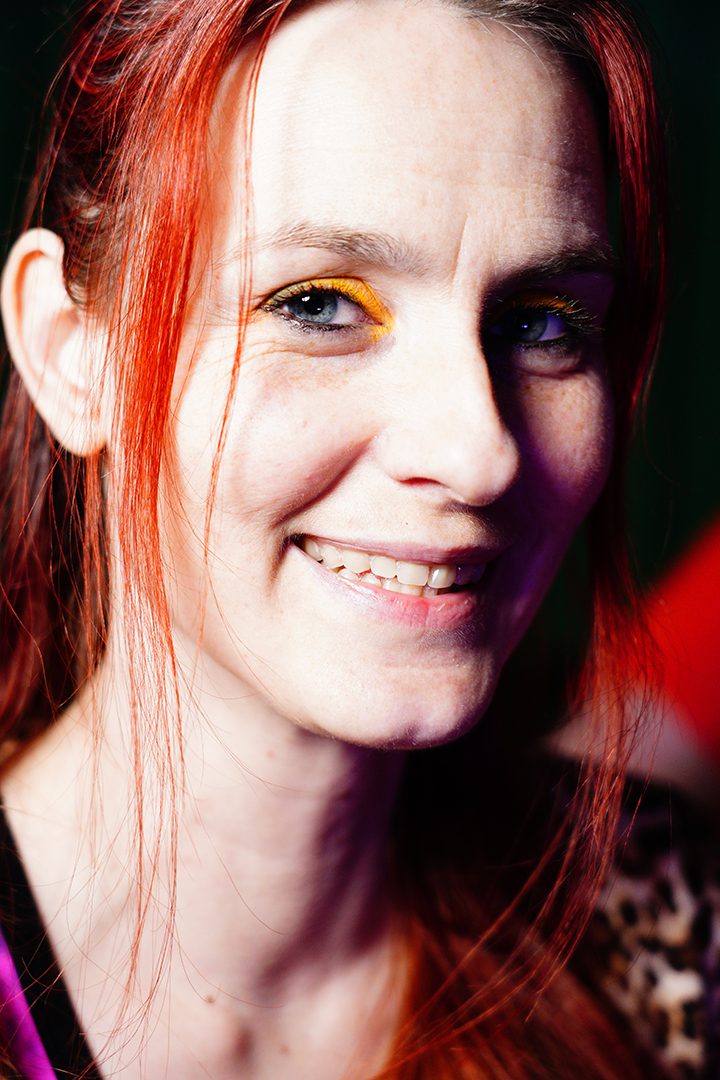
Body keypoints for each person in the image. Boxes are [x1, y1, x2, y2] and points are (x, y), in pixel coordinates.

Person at [0, 0, 669, 1076]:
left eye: (541, 321)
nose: (479, 452)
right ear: (74, 352)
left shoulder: (648, 923)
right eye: (318, 304)